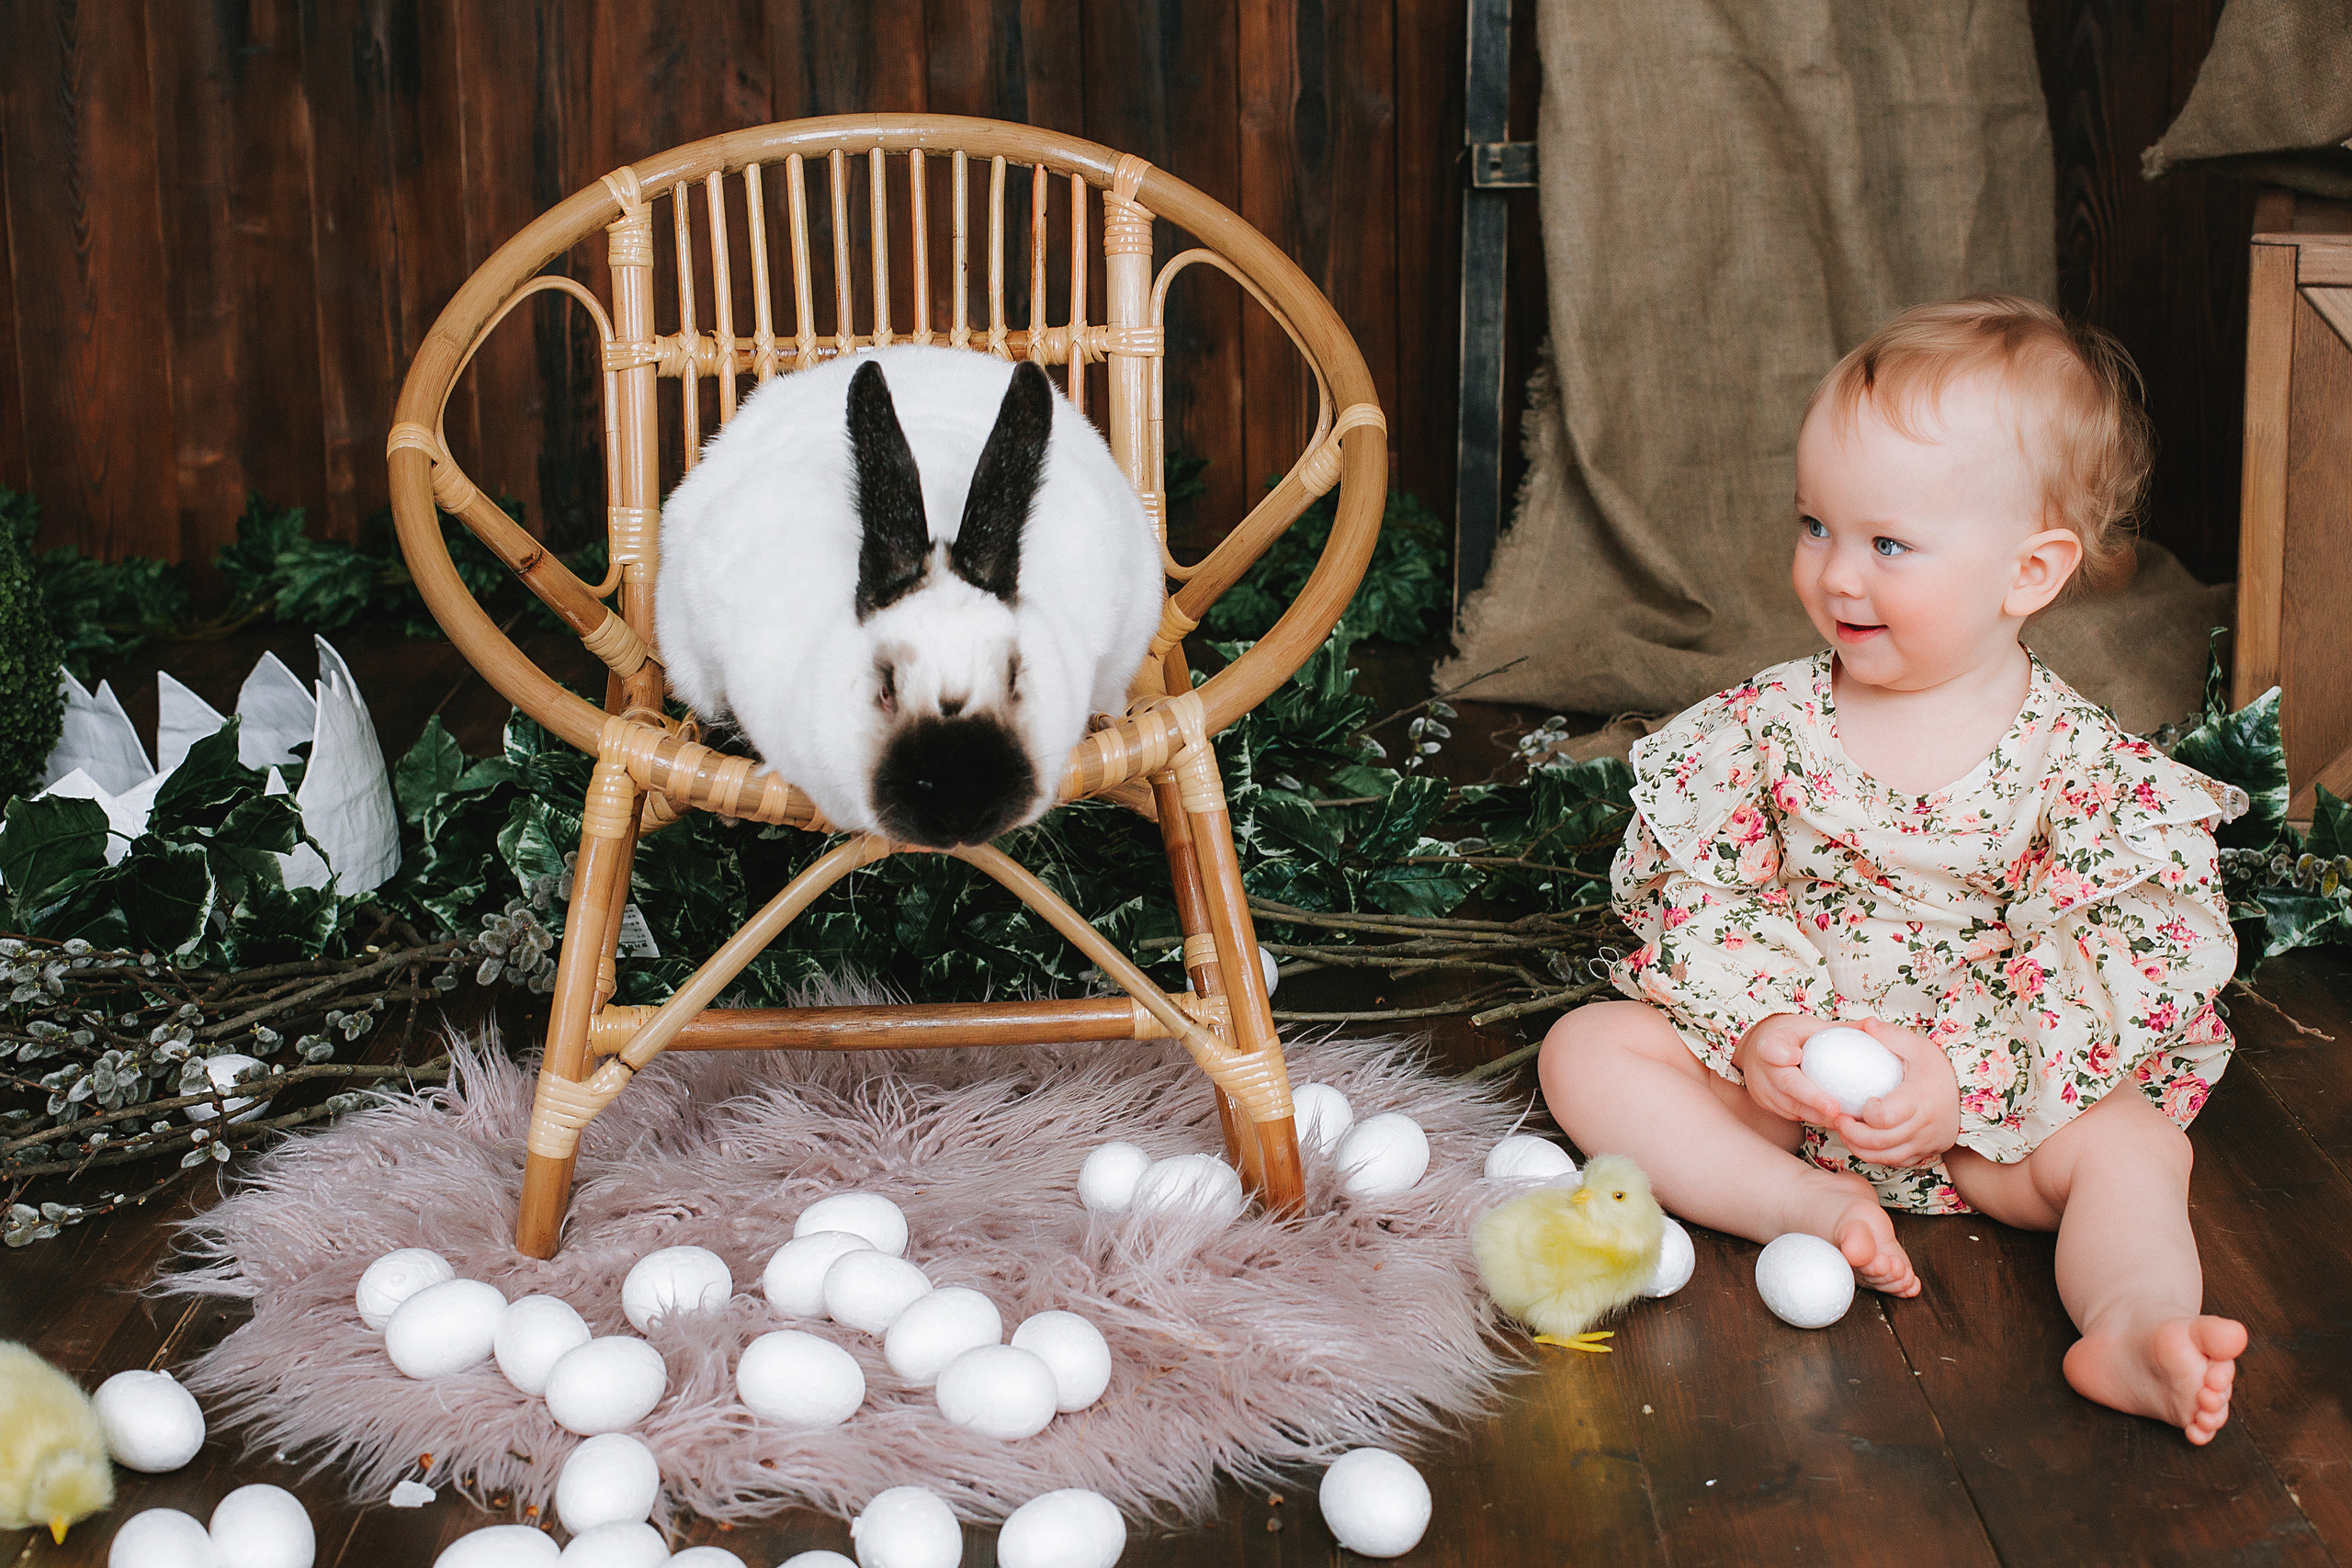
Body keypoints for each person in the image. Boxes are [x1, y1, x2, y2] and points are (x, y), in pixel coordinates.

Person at [1540, 296, 2247, 1443]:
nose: (1835, 575)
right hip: (1785, 1097)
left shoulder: (2081, 775)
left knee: (2134, 1147)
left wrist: (1961, 1077)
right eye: (1816, 525)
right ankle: (1796, 1205)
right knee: (1588, 1049)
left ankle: (2133, 1322)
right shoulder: (1762, 729)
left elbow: (2117, 959)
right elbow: (1717, 893)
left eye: (1887, 545)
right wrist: (1765, 1029)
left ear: (2029, 572)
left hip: (1987, 1123)